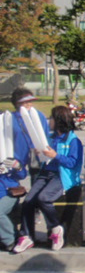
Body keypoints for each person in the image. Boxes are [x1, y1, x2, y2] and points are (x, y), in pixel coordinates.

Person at [12, 106, 83, 253]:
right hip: (45, 173)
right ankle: (26, 236)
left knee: (44, 198)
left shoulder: (73, 140)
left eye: (51, 118)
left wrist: (55, 155)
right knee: (28, 201)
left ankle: (55, 228)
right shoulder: (51, 138)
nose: (49, 121)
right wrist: (40, 154)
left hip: (61, 175)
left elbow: (73, 163)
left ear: (59, 120)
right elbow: (45, 158)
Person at [0, 108, 30, 252]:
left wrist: (17, 167)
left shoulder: (10, 149)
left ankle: (11, 238)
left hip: (8, 191)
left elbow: (23, 174)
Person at [11, 88, 50, 183]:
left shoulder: (38, 116)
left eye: (30, 101)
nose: (28, 104)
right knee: (13, 178)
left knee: (36, 179)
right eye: (25, 102)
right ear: (17, 103)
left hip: (36, 153)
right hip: (17, 154)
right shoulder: (10, 118)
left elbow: (45, 134)